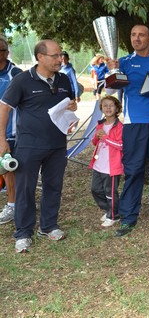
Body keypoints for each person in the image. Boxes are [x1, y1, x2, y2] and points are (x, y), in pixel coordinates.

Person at [0, 40, 77, 253]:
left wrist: (73, 107)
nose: (59, 59)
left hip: (57, 145)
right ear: (40, 57)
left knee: (54, 186)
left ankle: (48, 226)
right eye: (54, 56)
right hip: (29, 146)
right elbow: (4, 108)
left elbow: (70, 103)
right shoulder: (22, 80)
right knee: (25, 189)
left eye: (60, 55)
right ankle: (23, 233)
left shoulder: (63, 79)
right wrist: (1, 140)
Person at [106, 24, 149, 237]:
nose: (137, 38)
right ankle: (128, 217)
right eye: (133, 34)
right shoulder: (124, 62)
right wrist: (112, 71)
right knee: (134, 170)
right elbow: (110, 89)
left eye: (141, 35)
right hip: (133, 123)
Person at [89, 95, 123, 228]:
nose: (108, 108)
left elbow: (121, 146)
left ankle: (114, 215)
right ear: (101, 108)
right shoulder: (100, 125)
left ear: (116, 108)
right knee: (95, 189)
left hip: (112, 166)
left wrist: (106, 137)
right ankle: (109, 209)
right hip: (98, 164)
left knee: (110, 192)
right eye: (105, 105)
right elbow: (94, 142)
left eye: (111, 105)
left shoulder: (119, 127)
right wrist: (97, 137)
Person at [0, 37, 22, 225]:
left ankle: (14, 204)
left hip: (12, 132)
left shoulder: (15, 73)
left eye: (0, 51)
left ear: (6, 53)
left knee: (10, 168)